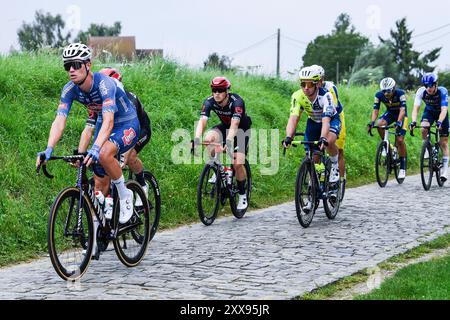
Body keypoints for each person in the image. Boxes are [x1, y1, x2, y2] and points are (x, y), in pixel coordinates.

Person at [36, 43, 140, 224]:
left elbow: (109, 121)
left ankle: (125, 195)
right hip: (104, 121)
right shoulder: (69, 89)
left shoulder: (104, 84)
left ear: (88, 65)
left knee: (104, 153)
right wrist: (48, 149)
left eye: (76, 64)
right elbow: (59, 121)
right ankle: (100, 224)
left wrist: (96, 147)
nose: (71, 70)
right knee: (98, 176)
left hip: (126, 122)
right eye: (67, 66)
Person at [77, 67, 152, 209]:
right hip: (115, 130)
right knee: (107, 161)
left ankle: (142, 184)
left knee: (128, 158)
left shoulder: (129, 99)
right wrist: (81, 153)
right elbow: (88, 130)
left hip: (139, 129)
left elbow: (130, 134)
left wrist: (122, 158)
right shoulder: (98, 102)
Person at [192, 77, 252, 210]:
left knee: (237, 163)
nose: (216, 93)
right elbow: (202, 121)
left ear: (227, 91)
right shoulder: (209, 102)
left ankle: (242, 195)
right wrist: (196, 139)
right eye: (214, 90)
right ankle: (217, 166)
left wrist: (229, 142)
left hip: (242, 130)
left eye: (220, 90)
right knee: (208, 138)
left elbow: (235, 123)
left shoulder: (237, 102)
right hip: (225, 127)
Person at [283, 66, 342, 190]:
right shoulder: (297, 96)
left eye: (309, 84)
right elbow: (293, 118)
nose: (306, 88)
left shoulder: (326, 96)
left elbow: (326, 122)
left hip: (331, 120)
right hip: (314, 121)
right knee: (313, 157)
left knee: (328, 141)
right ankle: (313, 190)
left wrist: (322, 138)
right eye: (303, 84)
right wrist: (288, 137)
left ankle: (335, 166)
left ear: (317, 84)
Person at [311, 65, 347, 185]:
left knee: (337, 147)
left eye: (319, 80)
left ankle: (339, 181)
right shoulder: (310, 90)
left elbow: (332, 110)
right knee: (316, 148)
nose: (317, 83)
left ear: (322, 79)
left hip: (334, 116)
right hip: (319, 118)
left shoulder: (330, 88)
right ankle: (315, 179)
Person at [410, 72, 449, 181]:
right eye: (426, 86)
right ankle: (427, 147)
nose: (428, 88)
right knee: (423, 128)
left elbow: (444, 110)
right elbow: (415, 109)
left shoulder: (443, 91)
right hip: (430, 112)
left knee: (444, 142)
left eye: (431, 85)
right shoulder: (421, 91)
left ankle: (445, 170)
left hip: (442, 114)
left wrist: (440, 122)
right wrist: (413, 121)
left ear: (436, 84)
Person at [368, 77, 408, 179]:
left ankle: (403, 167)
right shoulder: (378, 95)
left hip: (401, 115)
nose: (386, 94)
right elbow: (375, 110)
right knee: (380, 124)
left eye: (388, 91)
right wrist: (372, 122)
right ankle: (386, 145)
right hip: (390, 113)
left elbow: (403, 110)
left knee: (399, 140)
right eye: (384, 91)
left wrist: (399, 122)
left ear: (394, 88)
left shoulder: (400, 94)